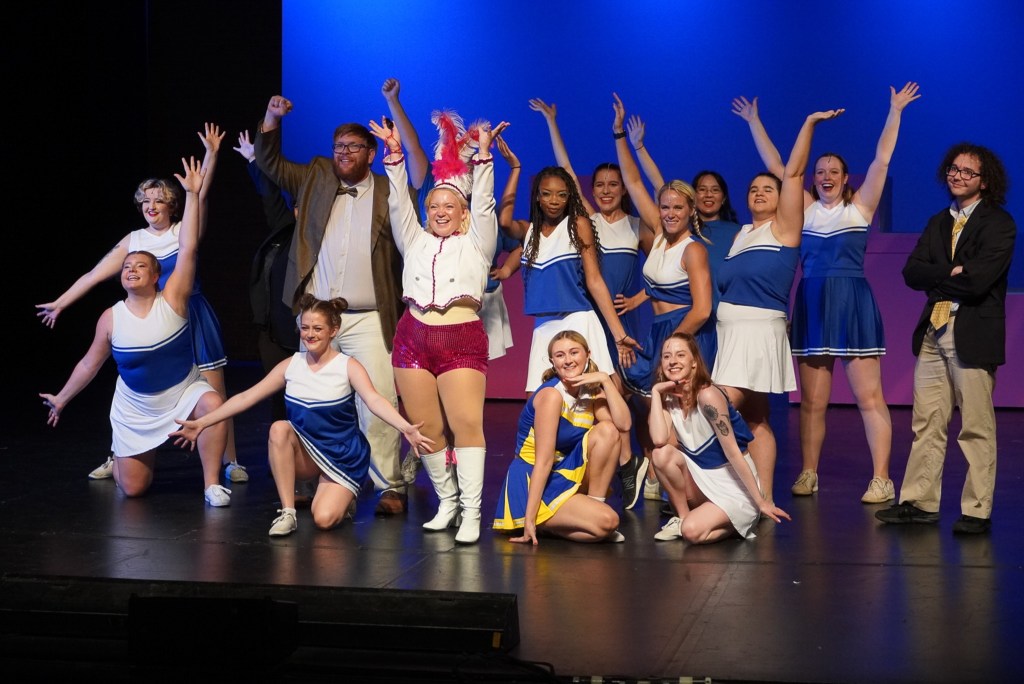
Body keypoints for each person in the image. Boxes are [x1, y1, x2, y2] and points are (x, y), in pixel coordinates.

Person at [734, 83, 921, 503]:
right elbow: (780, 167)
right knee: (812, 403)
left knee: (869, 397)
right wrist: (754, 122)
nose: (826, 177)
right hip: (813, 305)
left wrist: (895, 111)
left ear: (845, 178)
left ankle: (881, 478)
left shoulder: (861, 208)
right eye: (820, 171)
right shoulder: (803, 209)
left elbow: (882, 159)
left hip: (852, 304)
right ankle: (809, 473)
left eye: (833, 171)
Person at [36, 124, 247, 485]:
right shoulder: (133, 240)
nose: (151, 206)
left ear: (171, 205)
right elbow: (94, 275)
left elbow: (200, 193)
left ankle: (230, 461)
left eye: (158, 200)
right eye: (145, 201)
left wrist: (212, 155)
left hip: (189, 315)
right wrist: (60, 303)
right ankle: (119, 453)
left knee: (213, 391)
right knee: (137, 388)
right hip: (148, 319)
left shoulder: (183, 230)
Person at [255, 95, 412, 515]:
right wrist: (272, 117)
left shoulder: (388, 189)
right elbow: (270, 163)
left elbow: (418, 185)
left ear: (371, 154)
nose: (342, 153)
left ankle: (389, 485)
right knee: (312, 401)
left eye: (353, 147)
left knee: (377, 400)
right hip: (318, 319)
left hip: (368, 316)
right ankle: (316, 478)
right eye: (338, 146)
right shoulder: (317, 175)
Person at [170, 295, 433, 536]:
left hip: (342, 454)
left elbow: (374, 400)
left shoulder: (347, 366)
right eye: (305, 328)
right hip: (307, 453)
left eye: (318, 328)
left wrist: (405, 428)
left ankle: (343, 495)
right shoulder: (291, 365)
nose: (310, 334)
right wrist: (202, 422)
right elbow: (246, 397)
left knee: (324, 519)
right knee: (279, 429)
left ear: (333, 330)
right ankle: (288, 512)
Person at [368, 113, 508, 544]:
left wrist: (484, 156)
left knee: (466, 423)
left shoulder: (477, 241)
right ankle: (447, 501)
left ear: (463, 214)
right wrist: (394, 156)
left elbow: (484, 203)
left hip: (460, 338)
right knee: (425, 428)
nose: (441, 212)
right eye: (434, 206)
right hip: (412, 338)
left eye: (450, 206)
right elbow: (398, 203)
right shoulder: (415, 239)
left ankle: (471, 511)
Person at [876, 144, 1016, 535]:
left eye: (968, 172)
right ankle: (919, 502)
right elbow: (911, 273)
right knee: (927, 422)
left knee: (975, 425)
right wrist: (949, 272)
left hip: (972, 330)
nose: (957, 176)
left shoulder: (999, 223)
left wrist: (941, 276)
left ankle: (976, 509)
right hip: (934, 330)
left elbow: (977, 281)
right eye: (954, 169)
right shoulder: (939, 221)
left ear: (984, 181)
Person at [713, 101, 844, 505]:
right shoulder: (740, 235)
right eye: (753, 189)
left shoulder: (785, 229)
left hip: (756, 333)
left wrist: (808, 123)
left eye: (767, 189)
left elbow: (794, 173)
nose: (759, 193)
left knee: (715, 407)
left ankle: (725, 492)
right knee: (755, 417)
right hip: (729, 335)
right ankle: (764, 498)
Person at [527, 96, 654, 510]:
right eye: (599, 185)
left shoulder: (637, 225)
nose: (605, 190)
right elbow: (564, 170)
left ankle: (641, 466)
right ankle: (612, 469)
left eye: (613, 184)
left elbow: (668, 269)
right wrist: (552, 121)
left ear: (623, 189)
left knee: (629, 397)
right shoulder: (584, 221)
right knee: (593, 399)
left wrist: (638, 298)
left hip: (621, 323)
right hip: (587, 318)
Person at [495, 137, 640, 394]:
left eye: (562, 195)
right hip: (545, 324)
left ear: (569, 197)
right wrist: (515, 169)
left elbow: (594, 280)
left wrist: (619, 335)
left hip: (578, 319)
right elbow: (505, 222)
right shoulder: (529, 231)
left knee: (599, 397)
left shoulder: (578, 225)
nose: (554, 200)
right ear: (537, 197)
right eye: (547, 193)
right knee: (538, 398)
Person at [649, 334, 790, 543]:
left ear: (694, 361)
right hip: (703, 480)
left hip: (735, 486)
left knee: (692, 533)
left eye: (680, 355)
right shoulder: (669, 397)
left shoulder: (708, 396)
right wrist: (655, 393)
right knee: (661, 454)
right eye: (666, 356)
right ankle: (682, 517)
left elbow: (733, 452)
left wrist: (760, 502)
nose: (673, 361)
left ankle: (739, 523)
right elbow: (659, 439)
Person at [493, 331, 632, 543]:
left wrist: (605, 380)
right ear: (552, 362)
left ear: (587, 354)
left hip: (563, 473)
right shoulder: (551, 395)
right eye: (560, 355)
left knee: (608, 431)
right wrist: (529, 520)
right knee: (608, 521)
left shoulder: (590, 390)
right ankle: (536, 521)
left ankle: (585, 511)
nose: (568, 360)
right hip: (533, 480)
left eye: (574, 352)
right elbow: (544, 461)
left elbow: (623, 425)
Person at [234, 129, 300, 420]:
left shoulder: (327, 238)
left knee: (311, 401)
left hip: (310, 334)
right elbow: (270, 197)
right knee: (278, 402)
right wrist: (253, 160)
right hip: (275, 333)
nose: (302, 211)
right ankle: (280, 448)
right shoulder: (285, 230)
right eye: (298, 206)